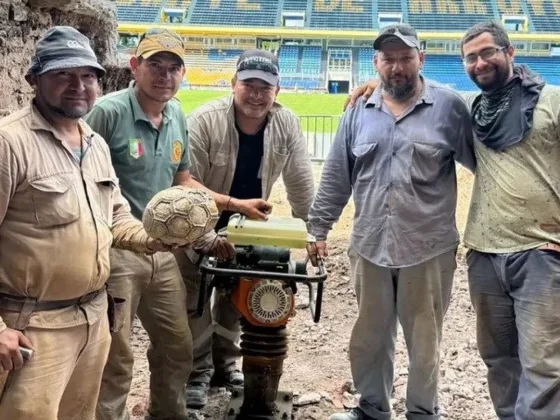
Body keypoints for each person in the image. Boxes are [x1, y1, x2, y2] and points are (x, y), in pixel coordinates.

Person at [347, 21, 560, 420]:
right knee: (500, 360)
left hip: (540, 253)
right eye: (471, 57)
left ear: (510, 52)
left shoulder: (549, 101)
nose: (480, 62)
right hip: (485, 252)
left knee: (544, 366)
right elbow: (410, 99)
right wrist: (374, 86)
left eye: (488, 53)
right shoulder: (472, 108)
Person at [85, 29, 270, 420]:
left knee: (177, 348)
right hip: (117, 253)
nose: (164, 75)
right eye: (155, 65)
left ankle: (168, 414)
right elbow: (79, 179)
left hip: (163, 253)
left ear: (183, 74)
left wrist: (207, 231)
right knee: (115, 359)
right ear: (135, 66)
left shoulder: (176, 115)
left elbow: (182, 183)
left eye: (174, 68)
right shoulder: (108, 112)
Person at [0, 26, 171, 420]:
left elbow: (114, 215)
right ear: (34, 79)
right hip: (32, 330)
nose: (78, 86)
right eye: (63, 74)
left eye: (88, 76)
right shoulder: (10, 144)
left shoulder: (93, 142)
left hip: (93, 321)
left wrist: (154, 240)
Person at [307, 24, 475, 420]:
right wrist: (318, 227)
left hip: (428, 248)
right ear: (376, 63)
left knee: (425, 341)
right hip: (369, 245)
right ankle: (371, 408)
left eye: (405, 58)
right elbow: (336, 175)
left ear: (421, 59)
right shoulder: (357, 111)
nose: (397, 67)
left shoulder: (450, 107)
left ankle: (422, 412)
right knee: (369, 338)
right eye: (389, 59)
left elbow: (488, 165)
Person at [175, 48, 315, 409]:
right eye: (248, 85)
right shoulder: (205, 120)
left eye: (264, 87)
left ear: (277, 91)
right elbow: (186, 183)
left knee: (238, 297)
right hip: (198, 220)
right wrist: (207, 236)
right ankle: (198, 371)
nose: (256, 94)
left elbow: (300, 181)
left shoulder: (287, 123)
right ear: (233, 84)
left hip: (246, 225)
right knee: (195, 299)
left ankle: (225, 365)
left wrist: (313, 232)